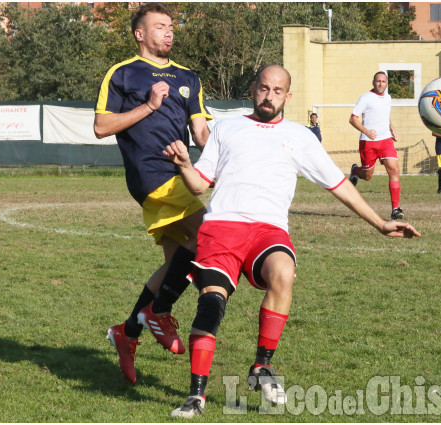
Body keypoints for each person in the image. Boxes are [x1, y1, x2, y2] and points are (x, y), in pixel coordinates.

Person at [163, 65, 421, 418]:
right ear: (254, 89)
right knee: (212, 305)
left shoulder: (300, 136)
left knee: (283, 272)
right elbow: (199, 183)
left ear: (288, 96)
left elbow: (339, 184)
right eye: (264, 89)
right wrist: (182, 163)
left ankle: (261, 368)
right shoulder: (226, 128)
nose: (269, 96)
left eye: (277, 91)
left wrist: (379, 223)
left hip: (268, 230)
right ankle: (196, 394)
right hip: (222, 226)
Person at [93, 2, 212, 384]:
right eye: (159, 26)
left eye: (171, 26)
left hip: (179, 171)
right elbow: (101, 127)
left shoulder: (189, 78)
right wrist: (148, 105)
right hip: (150, 173)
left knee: (178, 262)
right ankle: (159, 313)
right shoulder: (122, 74)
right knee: (209, 238)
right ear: (139, 34)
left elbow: (202, 135)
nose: (169, 32)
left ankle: (127, 332)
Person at [348, 71, 404, 220]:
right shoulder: (366, 98)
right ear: (373, 82)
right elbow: (353, 119)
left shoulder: (388, 98)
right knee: (367, 176)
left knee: (394, 170)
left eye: (383, 81)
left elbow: (386, 116)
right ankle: (355, 170)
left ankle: (395, 209)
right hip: (368, 142)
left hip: (386, 140)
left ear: (387, 84)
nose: (380, 84)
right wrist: (366, 131)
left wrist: (392, 129)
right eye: (378, 81)